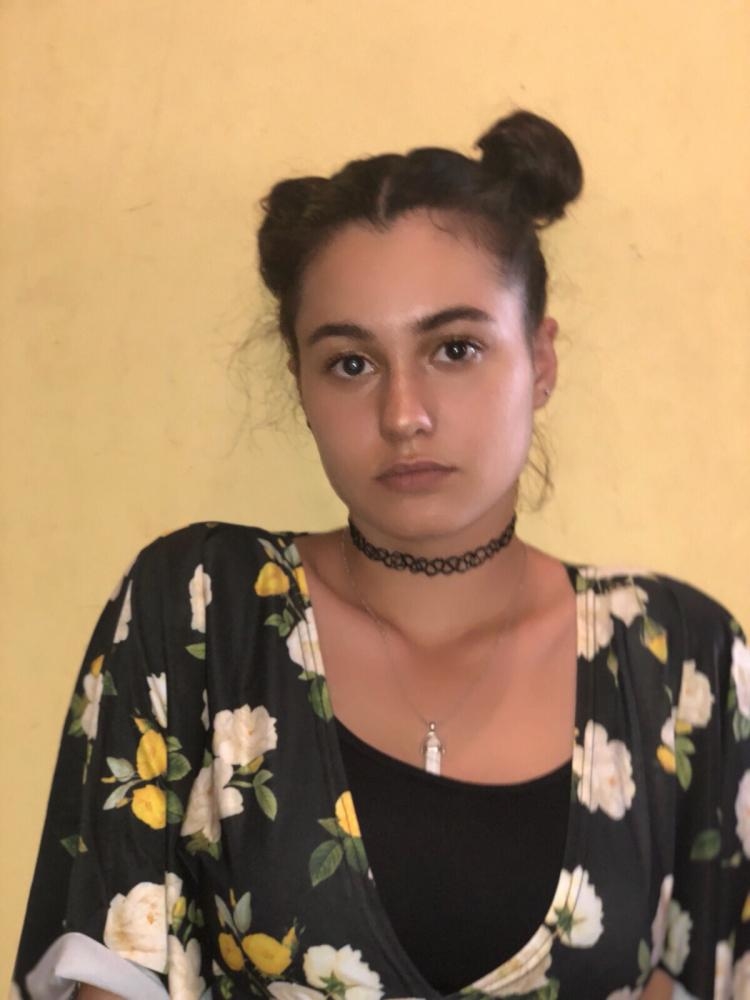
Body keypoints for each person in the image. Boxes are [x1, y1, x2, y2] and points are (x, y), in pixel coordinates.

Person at [11, 110, 750, 1000]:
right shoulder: (201, 613)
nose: (404, 414)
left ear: (541, 361)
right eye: (351, 364)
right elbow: (111, 968)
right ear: (301, 382)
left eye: (455, 349)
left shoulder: (678, 659)